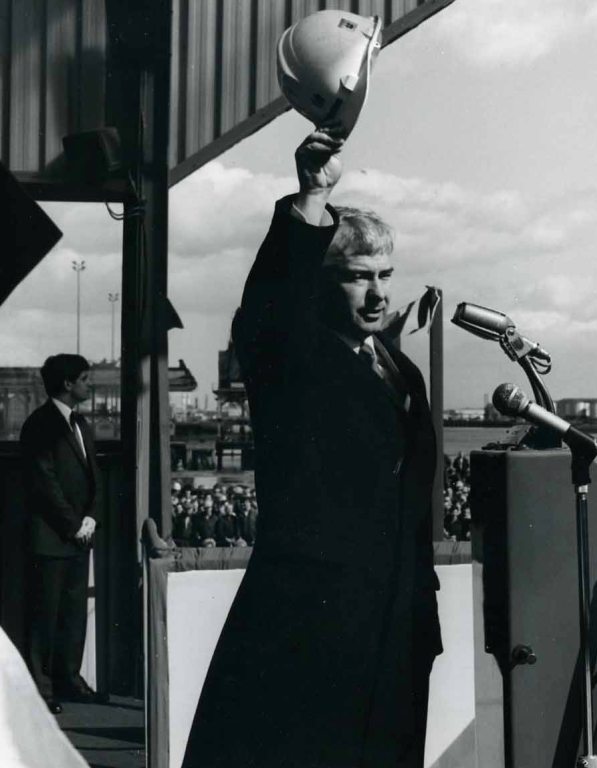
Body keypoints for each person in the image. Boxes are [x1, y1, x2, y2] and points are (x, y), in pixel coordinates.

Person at [182, 123, 442, 768]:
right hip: (313, 620)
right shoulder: (289, 354)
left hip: (395, 619)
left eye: (386, 274)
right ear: (324, 281)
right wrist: (309, 200)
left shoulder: (399, 369)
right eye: (358, 276)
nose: (379, 293)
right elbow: (268, 307)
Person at [20, 354, 108, 712]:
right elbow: (45, 484)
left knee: (72, 613)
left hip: (77, 536)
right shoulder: (39, 425)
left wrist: (91, 518)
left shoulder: (82, 424)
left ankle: (68, 680)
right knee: (45, 616)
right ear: (68, 384)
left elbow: (94, 477)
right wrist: (75, 525)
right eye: (86, 378)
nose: (91, 384)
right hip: (52, 537)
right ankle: (41, 691)